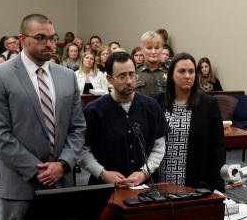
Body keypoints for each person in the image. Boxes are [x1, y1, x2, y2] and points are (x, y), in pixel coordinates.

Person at [0, 13, 86, 220]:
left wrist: (62, 165)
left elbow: (78, 128)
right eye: (41, 38)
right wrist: (36, 169)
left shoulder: (66, 77)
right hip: (20, 181)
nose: (49, 44)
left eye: (52, 38)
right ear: (22, 40)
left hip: (62, 180)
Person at [79, 51, 167, 187]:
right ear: (109, 79)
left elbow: (159, 147)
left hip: (144, 187)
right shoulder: (94, 110)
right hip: (104, 187)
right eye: (122, 76)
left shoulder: (151, 106)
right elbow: (82, 150)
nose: (129, 81)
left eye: (132, 74)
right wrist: (102, 173)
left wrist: (144, 172)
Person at [155, 52, 225, 191]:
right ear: (171, 75)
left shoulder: (208, 104)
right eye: (182, 71)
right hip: (160, 178)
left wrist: (218, 186)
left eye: (191, 71)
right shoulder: (156, 101)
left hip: (195, 180)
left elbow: (217, 148)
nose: (187, 76)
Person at [137, 31, 169, 97]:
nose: (153, 52)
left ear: (162, 49)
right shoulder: (135, 72)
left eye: (157, 48)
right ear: (142, 50)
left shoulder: (170, 71)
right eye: (149, 48)